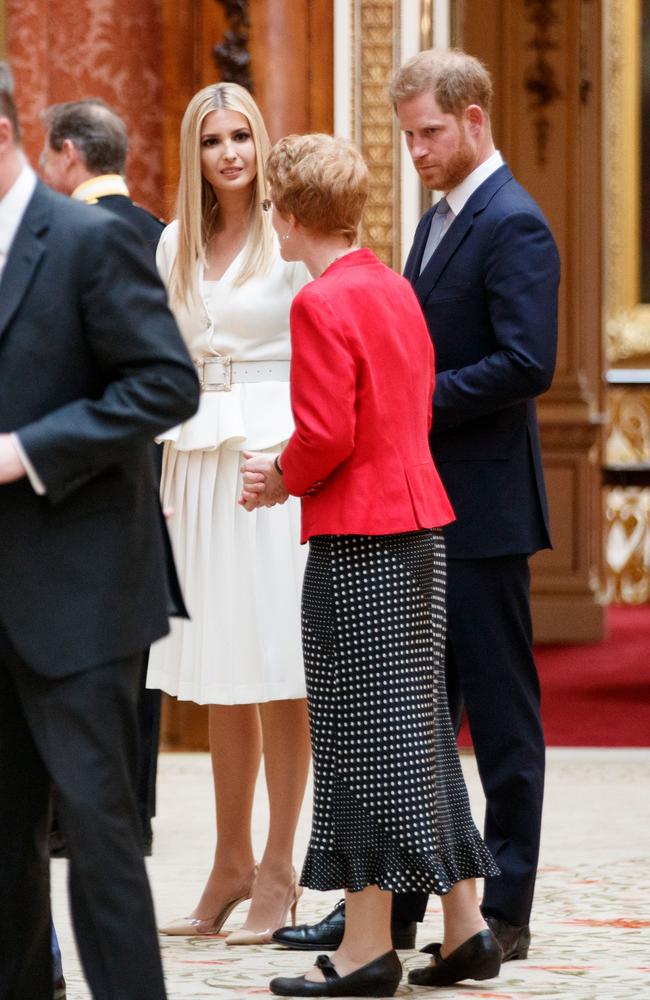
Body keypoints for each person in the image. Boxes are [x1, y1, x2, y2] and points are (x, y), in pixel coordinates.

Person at [275, 49, 560, 968]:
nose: (418, 151)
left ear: (475, 119)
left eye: (429, 132)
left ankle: (499, 910)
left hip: (481, 501)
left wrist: (409, 398)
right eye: (405, 136)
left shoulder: (514, 222)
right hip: (414, 502)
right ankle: (394, 913)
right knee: (413, 721)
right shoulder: (435, 225)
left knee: (499, 719)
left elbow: (527, 364)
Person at [240, 132, 501, 997]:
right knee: (417, 731)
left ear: (288, 211)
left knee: (361, 740)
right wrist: (299, 459)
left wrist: (277, 477)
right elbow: (394, 412)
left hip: (359, 539)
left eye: (274, 205)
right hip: (422, 529)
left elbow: (328, 437)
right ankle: (465, 930)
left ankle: (365, 949)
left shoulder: (318, 303)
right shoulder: (391, 285)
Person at [0, 61, 199, 1000]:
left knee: (100, 842)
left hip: (81, 598)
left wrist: (26, 450)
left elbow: (166, 385)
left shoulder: (86, 240)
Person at [146, 81, 312, 944]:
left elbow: (324, 348)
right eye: (213, 141)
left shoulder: (289, 239)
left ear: (260, 139)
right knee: (218, 674)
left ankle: (282, 866)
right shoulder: (176, 240)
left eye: (242, 135)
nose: (230, 154)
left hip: (269, 463)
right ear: (195, 154)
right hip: (197, 467)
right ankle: (229, 862)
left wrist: (299, 458)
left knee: (277, 666)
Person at [40, 96, 166, 856]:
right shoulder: (161, 235)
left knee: (64, 634)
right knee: (136, 637)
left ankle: (65, 810)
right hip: (151, 456)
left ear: (65, 153)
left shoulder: (58, 236)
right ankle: (135, 807)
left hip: (71, 459)